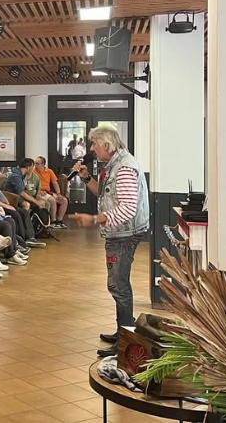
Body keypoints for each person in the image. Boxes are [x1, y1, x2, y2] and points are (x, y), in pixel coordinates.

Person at [72, 126, 149, 357]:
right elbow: (105, 194)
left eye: (94, 144)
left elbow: (127, 208)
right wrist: (85, 177)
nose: (91, 149)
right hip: (120, 232)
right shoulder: (114, 164)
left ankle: (126, 341)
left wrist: (95, 219)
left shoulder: (124, 168)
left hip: (124, 234)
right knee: (118, 284)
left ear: (106, 144)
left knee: (118, 285)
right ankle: (123, 331)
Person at [2, 161, 47, 248]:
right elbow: (21, 193)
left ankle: (37, 230)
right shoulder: (16, 176)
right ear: (29, 167)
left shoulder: (21, 175)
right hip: (12, 197)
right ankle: (28, 234)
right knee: (27, 205)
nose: (33, 169)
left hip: (17, 196)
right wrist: (36, 201)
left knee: (40, 204)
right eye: (33, 167)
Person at [34, 156, 69, 229]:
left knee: (64, 200)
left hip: (48, 191)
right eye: (35, 163)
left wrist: (58, 194)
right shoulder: (33, 171)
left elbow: (55, 183)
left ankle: (59, 220)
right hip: (39, 192)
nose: (35, 165)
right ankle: (53, 221)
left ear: (43, 164)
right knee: (52, 200)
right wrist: (39, 191)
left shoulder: (49, 171)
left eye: (37, 164)